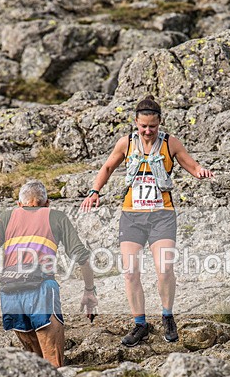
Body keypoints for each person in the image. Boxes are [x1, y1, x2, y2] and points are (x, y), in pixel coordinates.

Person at [80, 96, 214, 347]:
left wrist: (201, 172)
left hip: (162, 215)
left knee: (164, 269)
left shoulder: (170, 143)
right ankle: (140, 323)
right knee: (130, 272)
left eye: (152, 126)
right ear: (136, 123)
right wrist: (94, 191)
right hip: (132, 216)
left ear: (160, 122)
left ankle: (167, 315)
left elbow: (191, 165)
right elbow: (108, 167)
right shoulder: (126, 143)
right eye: (143, 126)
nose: (148, 131)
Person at [0, 179, 97, 367]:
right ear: (47, 203)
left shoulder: (6, 216)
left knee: (37, 366)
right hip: (41, 289)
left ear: (19, 205)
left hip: (9, 292)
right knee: (54, 363)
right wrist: (89, 290)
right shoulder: (56, 216)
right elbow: (81, 256)